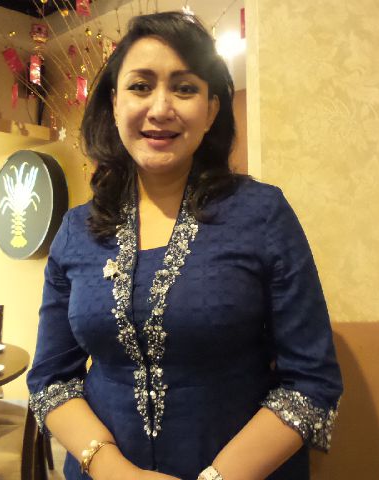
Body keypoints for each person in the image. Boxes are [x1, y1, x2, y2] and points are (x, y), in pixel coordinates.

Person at [27, 11, 343, 480]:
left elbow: (311, 382)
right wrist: (115, 471)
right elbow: (51, 378)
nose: (160, 108)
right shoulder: (77, 230)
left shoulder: (262, 214)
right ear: (114, 103)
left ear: (212, 110)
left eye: (184, 88)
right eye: (140, 86)